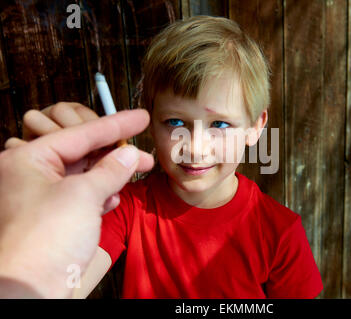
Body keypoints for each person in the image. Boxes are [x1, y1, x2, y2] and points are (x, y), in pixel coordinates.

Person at [6, 16, 323, 298]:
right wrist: (42, 210)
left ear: (255, 128)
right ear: (149, 122)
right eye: (175, 122)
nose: (196, 148)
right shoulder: (125, 208)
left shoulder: (280, 232)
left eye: (219, 124)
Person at [0, 109, 154, 298]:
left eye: (203, 124)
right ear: (153, 127)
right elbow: (68, 289)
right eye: (175, 122)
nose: (193, 150)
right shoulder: (123, 204)